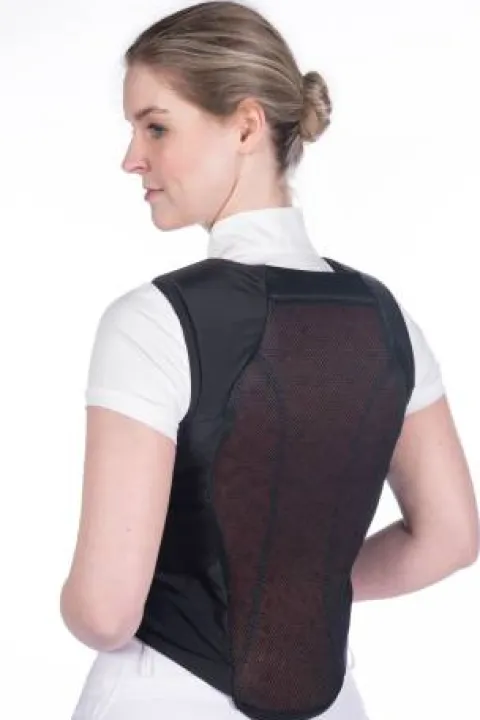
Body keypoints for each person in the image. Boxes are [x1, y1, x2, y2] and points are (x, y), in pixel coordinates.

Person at [60, 2, 479, 719]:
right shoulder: (387, 319)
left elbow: (105, 611)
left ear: (247, 126)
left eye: (156, 126)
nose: (132, 157)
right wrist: (291, 586)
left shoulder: (154, 322)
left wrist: (74, 603)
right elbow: (450, 537)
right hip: (334, 702)